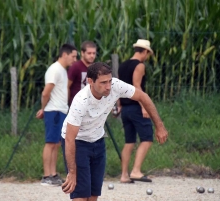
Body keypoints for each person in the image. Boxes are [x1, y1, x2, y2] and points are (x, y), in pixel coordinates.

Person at [61, 62, 168, 200]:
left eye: (110, 81)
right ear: (90, 81)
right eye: (103, 82)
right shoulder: (81, 101)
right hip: (78, 143)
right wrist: (72, 172)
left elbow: (143, 97)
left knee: (93, 195)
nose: (108, 86)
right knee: (80, 195)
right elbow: (70, 139)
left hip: (98, 140)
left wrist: (159, 126)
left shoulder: (116, 86)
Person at [36, 44, 77, 186]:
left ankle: (53, 174)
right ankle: (46, 175)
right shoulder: (54, 69)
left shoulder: (62, 71)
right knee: (50, 143)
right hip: (53, 110)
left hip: (61, 110)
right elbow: (46, 92)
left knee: (57, 143)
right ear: (64, 55)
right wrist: (43, 108)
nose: (74, 59)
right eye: (73, 56)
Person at [117, 39, 155, 183]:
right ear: (145, 51)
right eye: (148, 53)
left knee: (129, 142)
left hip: (125, 108)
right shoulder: (139, 66)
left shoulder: (123, 65)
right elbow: (136, 86)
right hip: (136, 107)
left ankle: (124, 175)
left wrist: (119, 105)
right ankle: (136, 171)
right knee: (147, 139)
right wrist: (144, 106)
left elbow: (120, 87)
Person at [68, 41, 97, 106]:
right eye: (89, 53)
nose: (92, 56)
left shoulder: (95, 68)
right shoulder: (75, 67)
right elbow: (67, 86)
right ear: (82, 53)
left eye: (94, 53)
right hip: (77, 104)